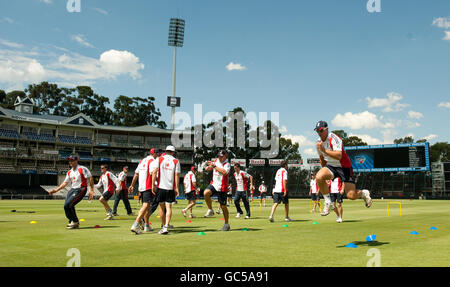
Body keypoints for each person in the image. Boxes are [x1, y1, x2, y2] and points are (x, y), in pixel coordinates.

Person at [313, 120, 372, 216]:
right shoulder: (318, 143)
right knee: (319, 177)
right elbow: (322, 160)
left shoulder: (334, 138)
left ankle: (363, 193)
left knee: (351, 196)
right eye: (317, 131)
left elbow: (339, 155)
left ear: (326, 129)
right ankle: (327, 202)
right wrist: (326, 177)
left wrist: (324, 150)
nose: (319, 133)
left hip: (344, 166)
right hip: (331, 166)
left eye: (321, 130)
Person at [48, 155, 94, 229]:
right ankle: (72, 221)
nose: (70, 162)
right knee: (66, 206)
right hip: (72, 189)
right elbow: (65, 183)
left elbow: (90, 178)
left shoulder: (82, 169)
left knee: (69, 204)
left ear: (76, 161)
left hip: (81, 189)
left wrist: (91, 190)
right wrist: (56, 190)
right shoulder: (69, 172)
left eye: (72, 160)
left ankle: (75, 221)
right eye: (69, 161)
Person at [151, 145, 180, 235]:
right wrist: (177, 188)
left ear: (166, 151)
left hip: (161, 187)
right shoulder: (176, 161)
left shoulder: (159, 159)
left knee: (161, 207)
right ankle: (166, 226)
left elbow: (154, 172)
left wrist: (152, 185)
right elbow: (177, 175)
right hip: (170, 188)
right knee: (169, 207)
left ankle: (164, 227)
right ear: (173, 152)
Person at [129, 148, 160, 234]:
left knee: (147, 206)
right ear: (153, 154)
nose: (158, 155)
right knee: (146, 205)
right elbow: (152, 173)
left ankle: (146, 225)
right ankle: (136, 224)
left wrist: (132, 185)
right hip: (148, 186)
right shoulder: (153, 161)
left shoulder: (142, 161)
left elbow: (136, 173)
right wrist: (155, 183)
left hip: (141, 187)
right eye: (157, 154)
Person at [203, 149, 231, 231]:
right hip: (214, 184)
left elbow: (224, 172)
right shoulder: (216, 161)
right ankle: (210, 209)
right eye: (219, 156)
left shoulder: (227, 164)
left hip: (222, 187)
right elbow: (211, 168)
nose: (220, 157)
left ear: (225, 156)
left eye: (221, 156)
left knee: (223, 206)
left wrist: (214, 166)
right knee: (206, 193)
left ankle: (226, 224)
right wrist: (207, 168)